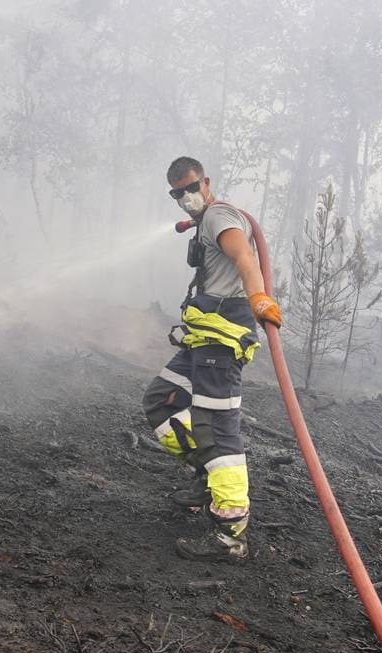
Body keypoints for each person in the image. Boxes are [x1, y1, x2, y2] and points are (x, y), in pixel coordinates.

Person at [142, 156, 282, 561]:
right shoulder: (205, 222)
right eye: (176, 193)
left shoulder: (220, 216)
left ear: (206, 182)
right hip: (202, 339)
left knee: (219, 429)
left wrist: (258, 297)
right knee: (161, 399)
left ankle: (230, 535)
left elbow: (244, 257)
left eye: (190, 188)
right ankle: (208, 477)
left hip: (222, 339)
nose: (185, 198)